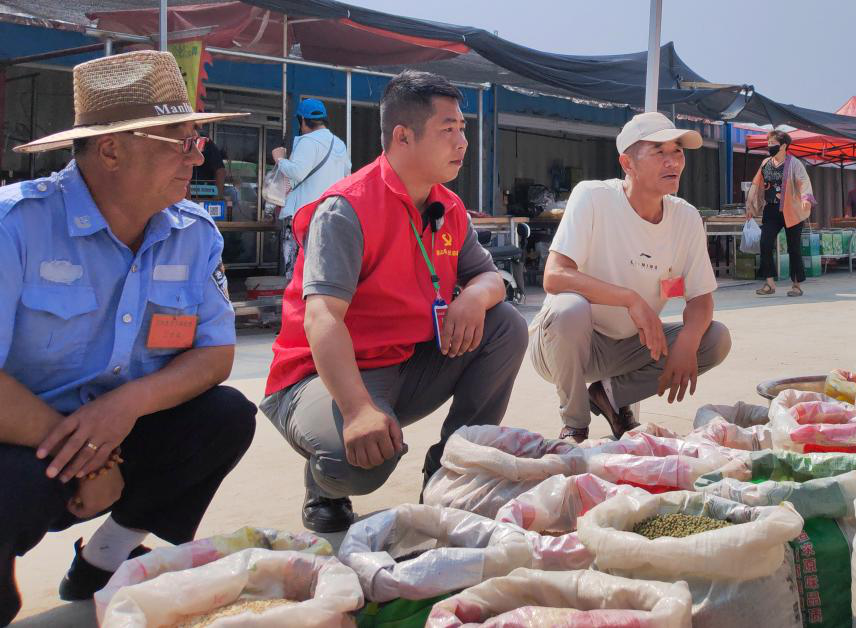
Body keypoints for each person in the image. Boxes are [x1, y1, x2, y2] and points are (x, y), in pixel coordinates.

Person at [0, 51, 257, 625]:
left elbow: (214, 353)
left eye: (196, 138)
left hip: (116, 429)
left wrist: (126, 405)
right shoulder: (14, 226)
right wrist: (92, 459)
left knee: (223, 416)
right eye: (178, 139)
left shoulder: (193, 234)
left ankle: (103, 561)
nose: (198, 155)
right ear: (111, 148)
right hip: (24, 443)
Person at [261, 71, 527, 533]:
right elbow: (323, 316)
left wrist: (473, 299)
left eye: (462, 129)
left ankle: (452, 467)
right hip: (326, 375)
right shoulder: (349, 207)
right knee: (359, 463)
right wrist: (359, 409)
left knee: (505, 324)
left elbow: (490, 277)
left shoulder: (448, 207)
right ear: (402, 136)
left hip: (406, 362)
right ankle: (324, 487)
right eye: (448, 130)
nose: (462, 142)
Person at [530, 112, 732, 442]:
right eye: (659, 152)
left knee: (715, 338)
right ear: (627, 163)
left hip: (628, 349)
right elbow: (554, 276)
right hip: (566, 344)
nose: (673, 162)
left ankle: (610, 395)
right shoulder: (594, 197)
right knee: (569, 308)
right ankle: (575, 425)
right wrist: (629, 299)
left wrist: (688, 342)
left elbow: (700, 297)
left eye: (677, 151)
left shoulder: (686, 217)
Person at [271, 98, 351, 280]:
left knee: (297, 272)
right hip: (328, 215)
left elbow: (297, 172)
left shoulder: (308, 141)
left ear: (302, 120)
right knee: (320, 271)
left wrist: (280, 159)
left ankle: (298, 306)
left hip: (302, 216)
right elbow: (347, 175)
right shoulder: (339, 144)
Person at [746, 129, 816, 297]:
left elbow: (804, 182)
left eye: (773, 144)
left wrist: (806, 198)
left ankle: (796, 285)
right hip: (771, 210)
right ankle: (769, 283)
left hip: (791, 209)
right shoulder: (765, 163)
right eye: (768, 143)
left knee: (794, 248)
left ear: (784, 146)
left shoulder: (794, 163)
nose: (769, 146)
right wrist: (750, 204)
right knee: (765, 243)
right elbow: (756, 184)